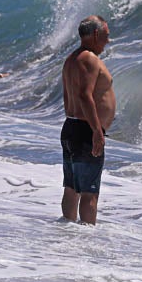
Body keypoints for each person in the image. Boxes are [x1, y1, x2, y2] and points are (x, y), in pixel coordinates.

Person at [60, 15, 116, 224]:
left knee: (72, 188)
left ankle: (67, 231)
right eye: (106, 36)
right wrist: (96, 131)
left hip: (72, 127)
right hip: (85, 131)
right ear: (95, 34)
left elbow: (68, 98)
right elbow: (85, 95)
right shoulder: (89, 59)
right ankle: (86, 241)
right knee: (89, 194)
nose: (108, 41)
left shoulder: (71, 59)